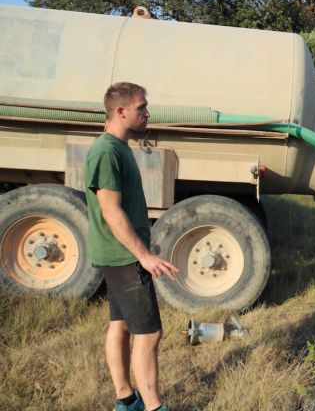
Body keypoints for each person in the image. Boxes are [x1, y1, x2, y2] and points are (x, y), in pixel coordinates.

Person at [85, 82, 178, 411]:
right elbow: (110, 210)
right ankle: (153, 407)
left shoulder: (117, 147)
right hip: (124, 256)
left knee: (121, 325)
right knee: (149, 334)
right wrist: (144, 255)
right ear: (121, 111)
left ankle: (126, 400)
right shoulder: (107, 151)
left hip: (118, 254)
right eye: (141, 107)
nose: (147, 112)